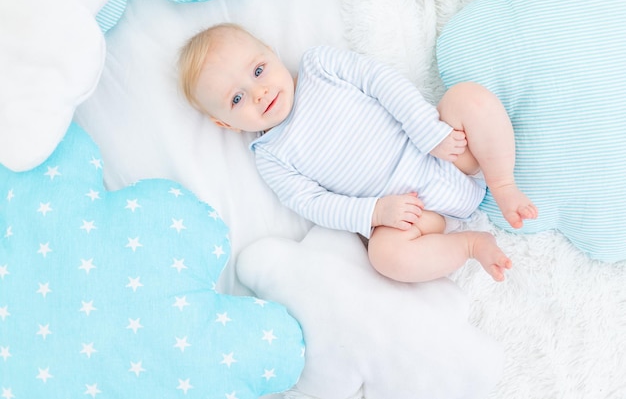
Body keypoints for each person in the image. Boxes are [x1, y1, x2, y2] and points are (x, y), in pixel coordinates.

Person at [178, 23, 538, 283]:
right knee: (386, 256)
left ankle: (503, 183)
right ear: (226, 124)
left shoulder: (320, 67)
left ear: (272, 53)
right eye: (237, 99)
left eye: (258, 70)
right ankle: (471, 245)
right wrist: (375, 212)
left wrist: (428, 132)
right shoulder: (271, 156)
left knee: (467, 98)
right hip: (418, 213)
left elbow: (382, 81)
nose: (259, 93)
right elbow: (314, 204)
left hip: (449, 151)